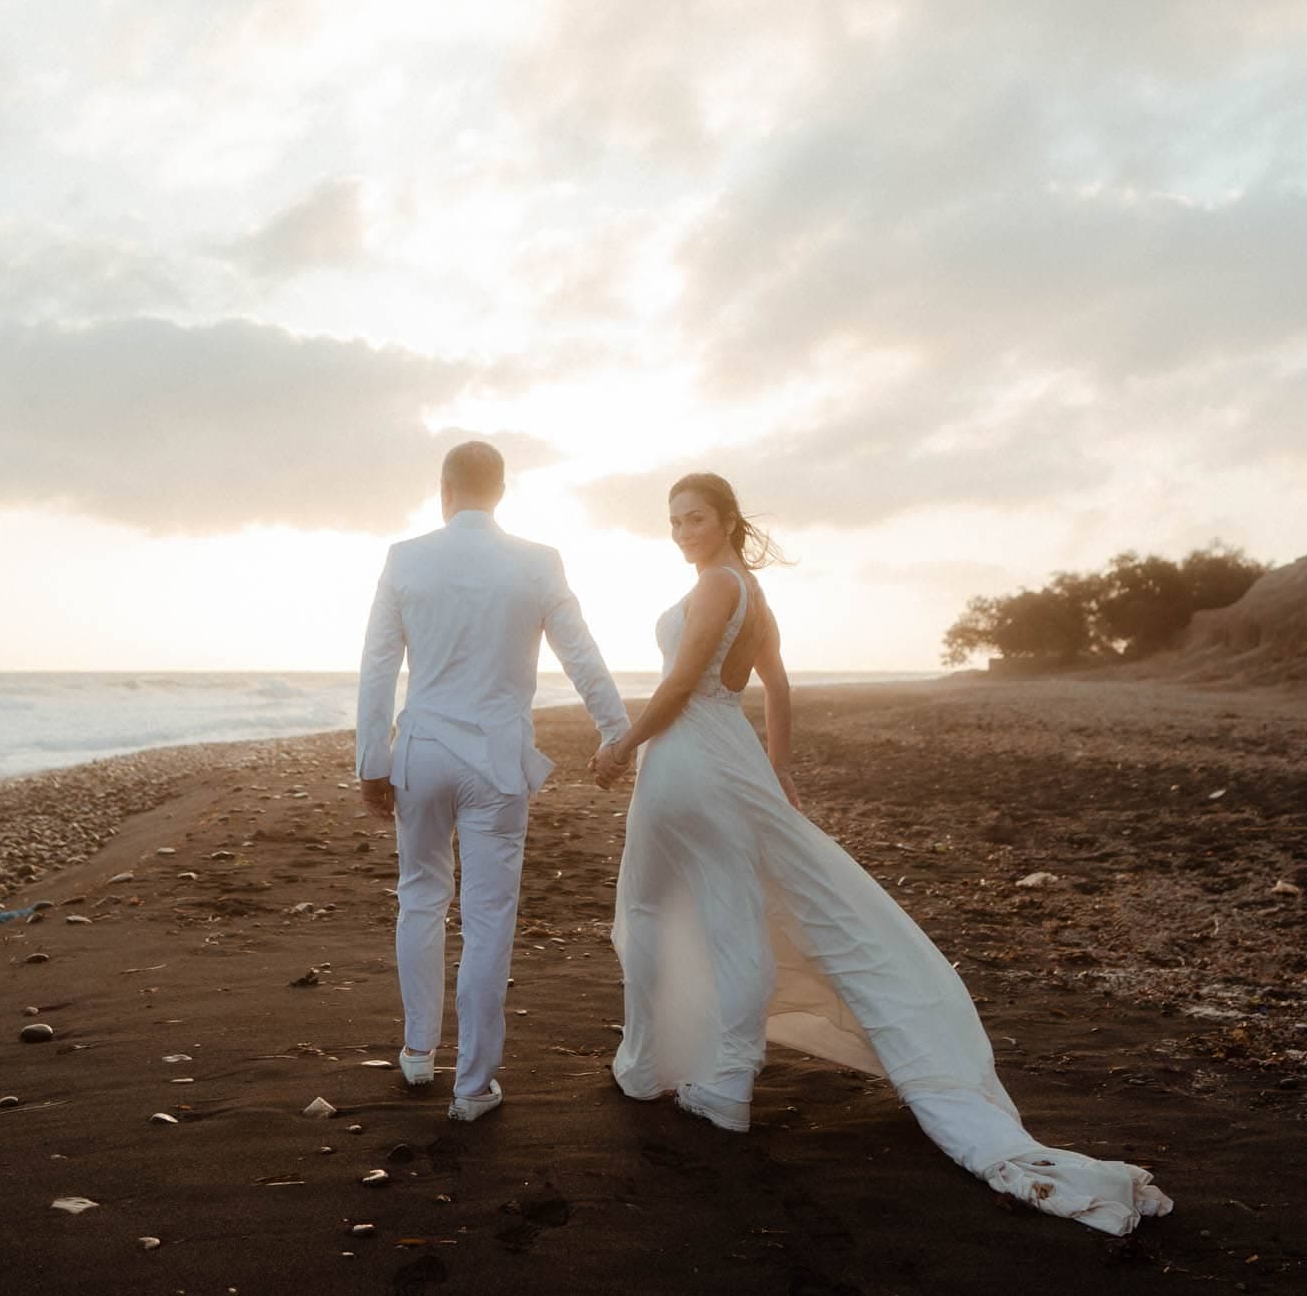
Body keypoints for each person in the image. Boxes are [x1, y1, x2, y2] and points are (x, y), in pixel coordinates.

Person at [589, 472, 1174, 1235]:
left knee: (648, 905)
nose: (681, 532)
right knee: (732, 911)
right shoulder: (753, 595)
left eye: (693, 518)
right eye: (672, 522)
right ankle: (724, 1082)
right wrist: (782, 766)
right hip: (726, 758)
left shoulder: (713, 590)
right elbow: (777, 685)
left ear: (728, 518)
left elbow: (677, 686)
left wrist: (620, 744)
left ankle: (650, 1070)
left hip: (681, 759)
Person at [356, 440, 631, 1121]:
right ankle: (473, 1087)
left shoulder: (405, 558)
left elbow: (378, 668)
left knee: (420, 897)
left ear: (444, 489)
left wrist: (371, 761)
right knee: (486, 921)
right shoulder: (537, 563)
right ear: (501, 491)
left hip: (421, 751)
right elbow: (582, 655)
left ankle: (418, 1053)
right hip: (495, 763)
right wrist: (616, 732)